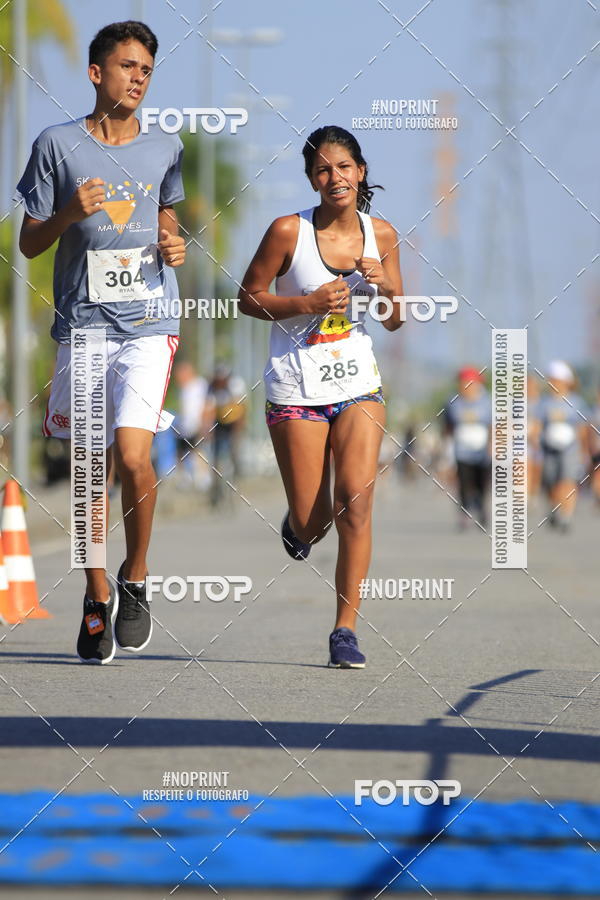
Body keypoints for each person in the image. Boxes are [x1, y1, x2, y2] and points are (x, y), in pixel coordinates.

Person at [15, 21, 186, 664]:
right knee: (91, 469)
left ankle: (134, 579)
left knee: (136, 457)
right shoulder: (55, 146)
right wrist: (68, 214)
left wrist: (175, 242)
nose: (138, 79)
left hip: (148, 322)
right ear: (96, 73)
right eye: (127, 67)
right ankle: (95, 595)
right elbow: (28, 242)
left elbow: (168, 218)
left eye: (146, 70)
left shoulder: (165, 147)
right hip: (84, 324)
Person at [238, 124, 403, 668]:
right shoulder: (288, 231)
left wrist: (384, 288)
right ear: (312, 180)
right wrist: (305, 303)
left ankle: (345, 629)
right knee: (315, 521)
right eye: (322, 170)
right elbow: (248, 298)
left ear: (360, 172)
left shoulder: (383, 235)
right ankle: (298, 524)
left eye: (344, 167)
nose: (335, 177)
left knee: (356, 498)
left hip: (357, 383)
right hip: (295, 387)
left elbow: (397, 319)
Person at [535, 361, 589, 531]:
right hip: (548, 449)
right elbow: (537, 425)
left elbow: (582, 428)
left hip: (570, 449)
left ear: (567, 381)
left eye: (557, 380)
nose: (554, 383)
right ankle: (554, 508)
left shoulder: (576, 402)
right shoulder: (544, 403)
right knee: (551, 482)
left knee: (567, 481)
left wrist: (583, 449)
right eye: (552, 380)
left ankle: (566, 516)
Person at [443, 367, 492, 529]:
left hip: (482, 450)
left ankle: (481, 509)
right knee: (464, 482)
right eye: (464, 383)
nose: (467, 387)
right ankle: (464, 512)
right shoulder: (453, 402)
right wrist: (447, 448)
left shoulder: (487, 402)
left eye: (471, 384)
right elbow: (448, 426)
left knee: (481, 482)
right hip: (462, 450)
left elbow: (494, 426)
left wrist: (493, 445)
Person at [205, 363, 247, 506]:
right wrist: (208, 430)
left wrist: (238, 431)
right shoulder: (211, 386)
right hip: (219, 421)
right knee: (215, 456)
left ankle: (236, 476)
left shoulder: (236, 384)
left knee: (233, 451)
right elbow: (208, 409)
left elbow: (241, 408)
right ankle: (216, 489)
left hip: (234, 420)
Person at [173, 360, 210, 490]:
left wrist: (204, 423)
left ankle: (203, 478)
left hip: (197, 424)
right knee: (181, 453)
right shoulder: (183, 389)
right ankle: (185, 478)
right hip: (183, 426)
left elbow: (207, 403)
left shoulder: (200, 385)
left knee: (198, 451)